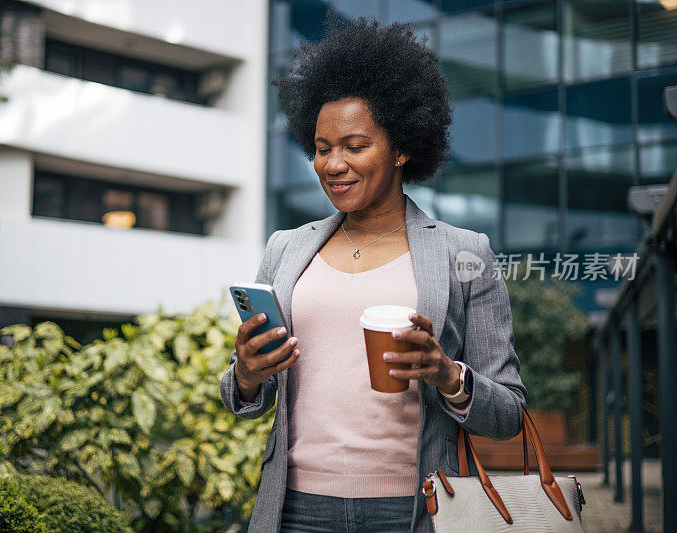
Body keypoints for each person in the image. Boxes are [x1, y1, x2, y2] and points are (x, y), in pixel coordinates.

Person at [219, 14, 526, 533]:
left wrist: (447, 374)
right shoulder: (286, 250)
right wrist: (247, 376)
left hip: (411, 509)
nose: (332, 165)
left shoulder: (464, 254)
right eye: (321, 149)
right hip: (297, 509)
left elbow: (509, 414)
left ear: (403, 146)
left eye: (355, 146)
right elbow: (244, 400)